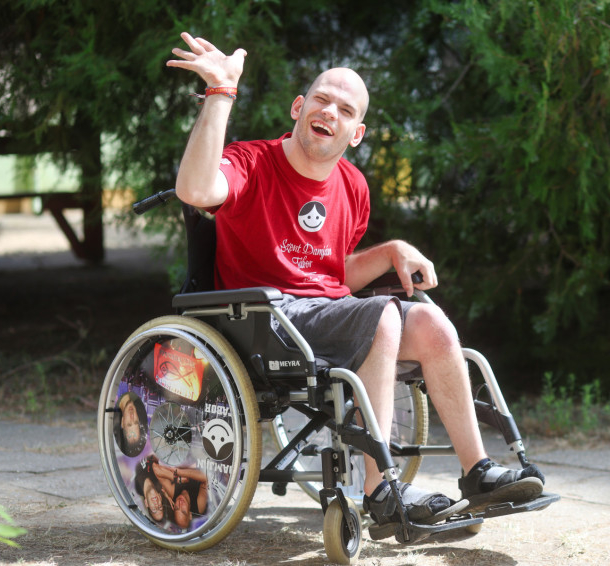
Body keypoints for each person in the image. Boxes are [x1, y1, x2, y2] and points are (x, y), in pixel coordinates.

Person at [166, 32, 545, 538]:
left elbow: (334, 273)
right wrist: (220, 93)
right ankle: (380, 490)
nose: (330, 111)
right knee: (381, 314)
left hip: (325, 315)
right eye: (321, 100)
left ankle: (478, 472)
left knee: (431, 323)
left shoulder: (353, 185)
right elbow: (194, 189)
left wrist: (390, 251)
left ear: (356, 133)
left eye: (345, 110)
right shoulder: (252, 162)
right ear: (299, 108)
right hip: (266, 321)